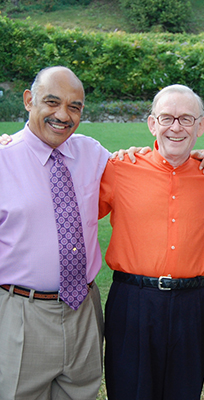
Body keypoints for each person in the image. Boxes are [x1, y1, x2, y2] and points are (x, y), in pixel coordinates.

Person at [98, 84, 204, 400]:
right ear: (152, 123)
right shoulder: (120, 168)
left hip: (192, 304)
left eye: (186, 119)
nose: (175, 127)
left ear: (201, 126)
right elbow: (73, 206)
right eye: (167, 118)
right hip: (133, 302)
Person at [0, 66, 110, 399]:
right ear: (29, 101)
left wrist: (197, 157)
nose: (63, 115)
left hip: (85, 311)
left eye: (74, 106)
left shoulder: (92, 153)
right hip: (22, 313)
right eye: (52, 102)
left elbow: (144, 171)